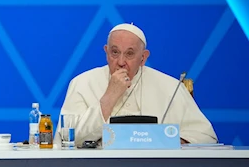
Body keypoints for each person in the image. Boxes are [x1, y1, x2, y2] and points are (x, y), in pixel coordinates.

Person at [57, 23, 217, 146]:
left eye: (129, 54)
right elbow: (66, 139)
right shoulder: (82, 83)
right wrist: (110, 96)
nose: (121, 62)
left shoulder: (169, 86)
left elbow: (205, 136)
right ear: (106, 52)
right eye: (114, 52)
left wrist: (165, 143)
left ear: (143, 58)